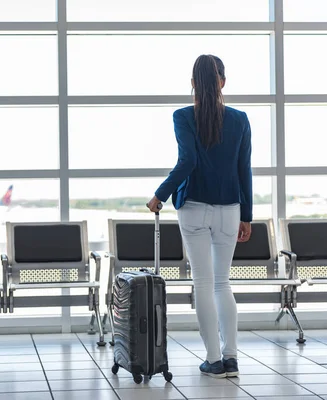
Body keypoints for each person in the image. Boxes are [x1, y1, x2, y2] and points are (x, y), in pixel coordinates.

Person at [146, 54, 253, 379]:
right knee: (223, 284)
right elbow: (243, 170)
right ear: (223, 81)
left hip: (193, 208)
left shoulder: (183, 116)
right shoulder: (239, 119)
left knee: (204, 284)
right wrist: (246, 215)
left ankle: (213, 360)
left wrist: (160, 194)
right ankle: (231, 358)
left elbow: (188, 161)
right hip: (229, 210)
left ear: (193, 83)